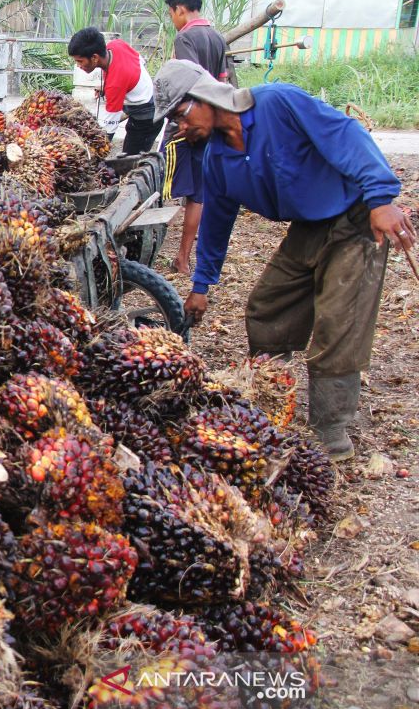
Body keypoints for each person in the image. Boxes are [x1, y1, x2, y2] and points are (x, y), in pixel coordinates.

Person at [152, 59, 416, 461]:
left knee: (338, 323)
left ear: (203, 97)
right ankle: (272, 393)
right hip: (309, 226)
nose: (179, 128)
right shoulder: (216, 159)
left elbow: (345, 135)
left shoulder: (278, 104)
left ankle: (330, 431)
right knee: (268, 305)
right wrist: (201, 286)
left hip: (356, 217)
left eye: (179, 115)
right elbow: (216, 224)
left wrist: (381, 199)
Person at [161, 0, 234, 275]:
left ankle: (156, 243)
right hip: (211, 121)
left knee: (165, 183)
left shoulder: (185, 38)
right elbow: (224, 80)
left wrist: (183, 123)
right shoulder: (217, 37)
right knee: (198, 194)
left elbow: (186, 81)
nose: (172, 19)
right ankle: (184, 256)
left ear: (180, 9)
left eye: (171, 13)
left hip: (188, 125)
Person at [67, 26, 162, 155]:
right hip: (149, 95)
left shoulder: (115, 84)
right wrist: (109, 87)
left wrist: (92, 154)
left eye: (80, 61)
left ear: (94, 58)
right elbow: (140, 61)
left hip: (147, 116)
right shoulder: (116, 45)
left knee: (129, 161)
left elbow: (109, 129)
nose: (78, 65)